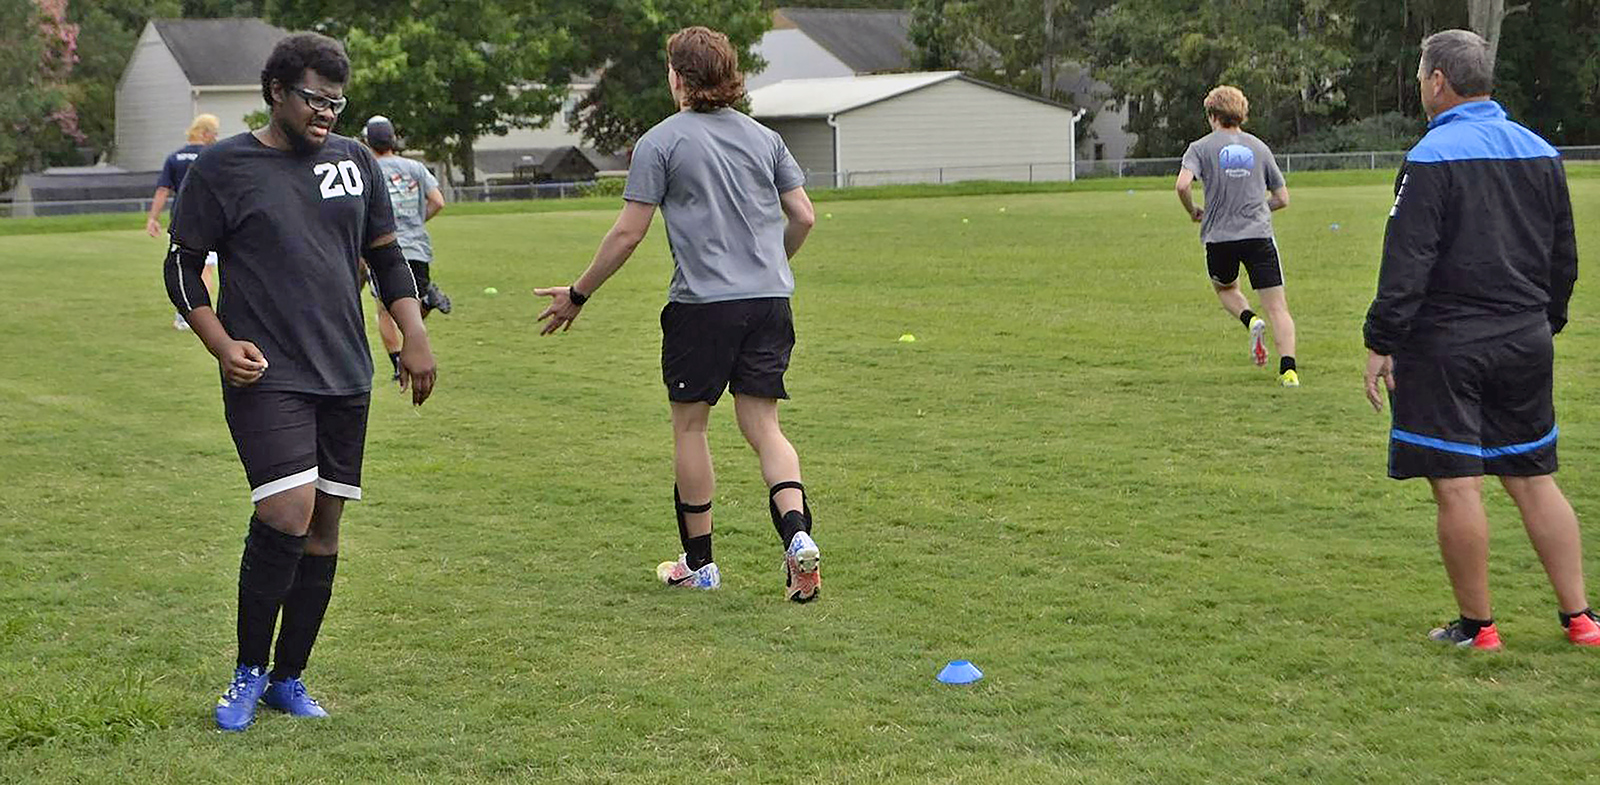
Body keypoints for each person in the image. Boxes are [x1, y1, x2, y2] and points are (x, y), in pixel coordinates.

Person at [163, 32, 438, 731]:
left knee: (323, 528)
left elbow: (387, 256)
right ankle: (248, 670)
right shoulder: (224, 168)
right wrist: (219, 343)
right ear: (277, 93)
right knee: (287, 508)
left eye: (337, 102)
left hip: (346, 369)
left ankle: (290, 676)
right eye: (315, 99)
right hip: (267, 372)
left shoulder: (353, 163)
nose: (328, 114)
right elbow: (181, 264)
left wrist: (416, 334)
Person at [533, 26, 823, 602]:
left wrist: (579, 292)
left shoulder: (660, 142)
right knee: (765, 427)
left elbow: (627, 233)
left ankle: (700, 565)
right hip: (770, 302)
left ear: (680, 77)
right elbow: (804, 216)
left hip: (702, 308)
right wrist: (771, 266)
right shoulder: (765, 138)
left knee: (691, 427)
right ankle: (797, 539)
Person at [1362, 29, 1592, 650]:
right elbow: (1562, 257)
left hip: (1447, 346)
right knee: (1533, 477)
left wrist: (1382, 341)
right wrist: (1545, 325)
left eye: (1419, 76)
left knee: (1458, 485)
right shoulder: (1541, 150)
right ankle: (1581, 620)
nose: (1419, 87)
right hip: (1525, 338)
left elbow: (1407, 262)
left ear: (1439, 81)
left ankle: (1479, 629)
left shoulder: (1431, 156)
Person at [1175, 86, 1299, 387]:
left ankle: (1250, 320)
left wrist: (1193, 210)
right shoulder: (1259, 147)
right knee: (1278, 308)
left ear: (1213, 116)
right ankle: (1288, 371)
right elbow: (1282, 198)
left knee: (1226, 289)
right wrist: (1258, 209)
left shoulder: (1200, 148)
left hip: (1219, 238)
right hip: (1258, 236)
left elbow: (1182, 185)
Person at [363, 115, 449, 382]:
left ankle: (397, 362)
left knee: (385, 310)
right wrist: (415, 222)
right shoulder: (415, 167)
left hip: (384, 250)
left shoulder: (367, 169)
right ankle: (427, 300)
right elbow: (438, 201)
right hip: (418, 248)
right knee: (411, 304)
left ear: (367, 141)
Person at [147, 114, 220, 330]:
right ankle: (199, 319)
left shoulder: (174, 157)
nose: (216, 138)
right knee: (205, 270)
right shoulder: (213, 156)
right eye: (214, 134)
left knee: (186, 268)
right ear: (206, 133)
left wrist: (152, 218)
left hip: (182, 220)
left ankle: (183, 314)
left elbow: (163, 190)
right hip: (210, 219)